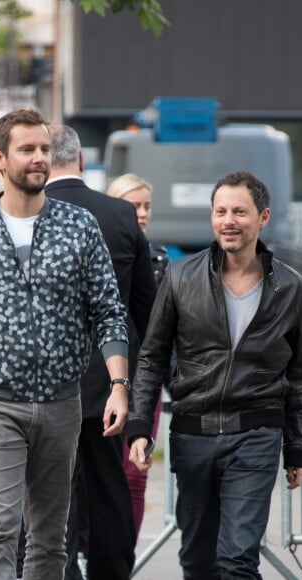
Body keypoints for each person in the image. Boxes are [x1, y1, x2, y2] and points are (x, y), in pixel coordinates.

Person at [0, 108, 131, 580]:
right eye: (27, 150)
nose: (40, 158)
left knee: (50, 538)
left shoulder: (78, 227)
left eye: (44, 149)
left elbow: (108, 311)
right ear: (0, 158)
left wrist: (119, 384)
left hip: (61, 403)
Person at [127, 170, 302, 579]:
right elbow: (152, 356)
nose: (229, 220)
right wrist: (140, 425)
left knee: (237, 560)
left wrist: (299, 447)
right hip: (193, 433)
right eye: (221, 211)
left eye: (240, 212)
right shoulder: (179, 277)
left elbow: (299, 374)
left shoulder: (290, 286)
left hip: (256, 434)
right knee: (198, 560)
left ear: (262, 218)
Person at [19, 125, 156, 580]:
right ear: (80, 160)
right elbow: (144, 306)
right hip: (108, 379)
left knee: (50, 488)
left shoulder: (28, 212)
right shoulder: (120, 215)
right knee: (108, 485)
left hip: (44, 380)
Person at [106, 173, 169, 535]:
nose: (141, 214)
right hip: (105, 378)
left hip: (146, 379)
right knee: (99, 472)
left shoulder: (159, 258)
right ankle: (88, 555)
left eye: (146, 206)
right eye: (133, 206)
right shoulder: (102, 255)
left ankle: (122, 559)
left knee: (135, 474)